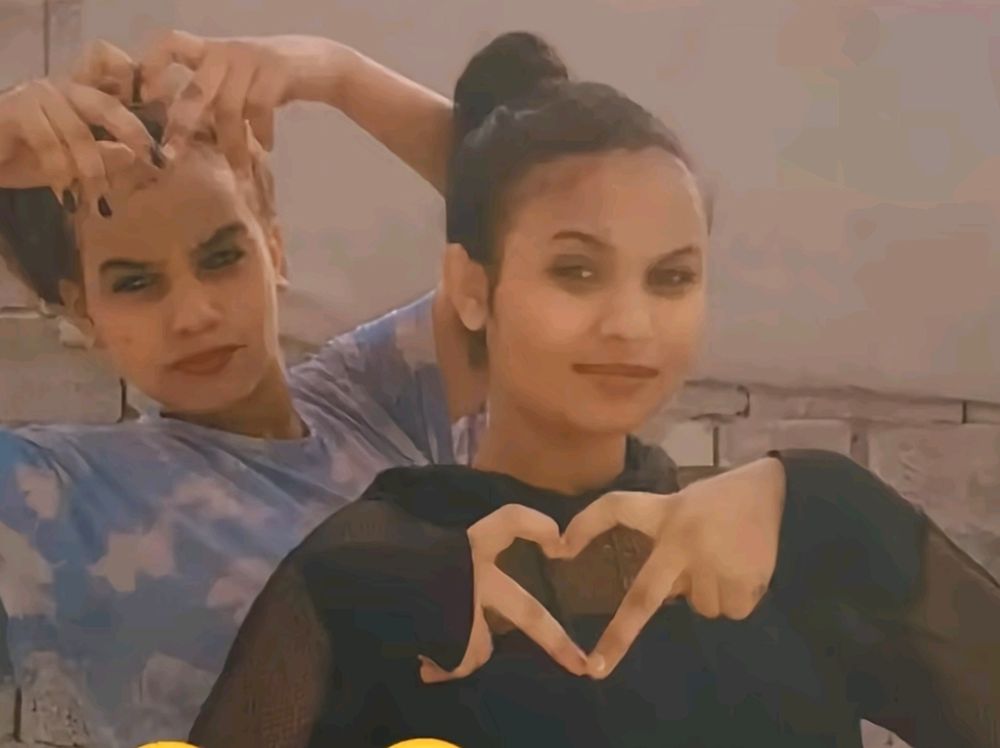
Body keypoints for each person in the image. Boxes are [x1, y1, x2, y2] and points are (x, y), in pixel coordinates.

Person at [189, 32, 1000, 748]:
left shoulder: (794, 539)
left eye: (672, 278)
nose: (630, 324)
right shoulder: (369, 576)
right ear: (471, 287)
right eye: (576, 271)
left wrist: (823, 498)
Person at [0, 32, 799, 746]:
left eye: (221, 256)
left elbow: (542, 202)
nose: (196, 314)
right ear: (84, 313)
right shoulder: (52, 496)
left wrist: (335, 74)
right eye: (135, 283)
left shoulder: (376, 392)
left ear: (274, 248)